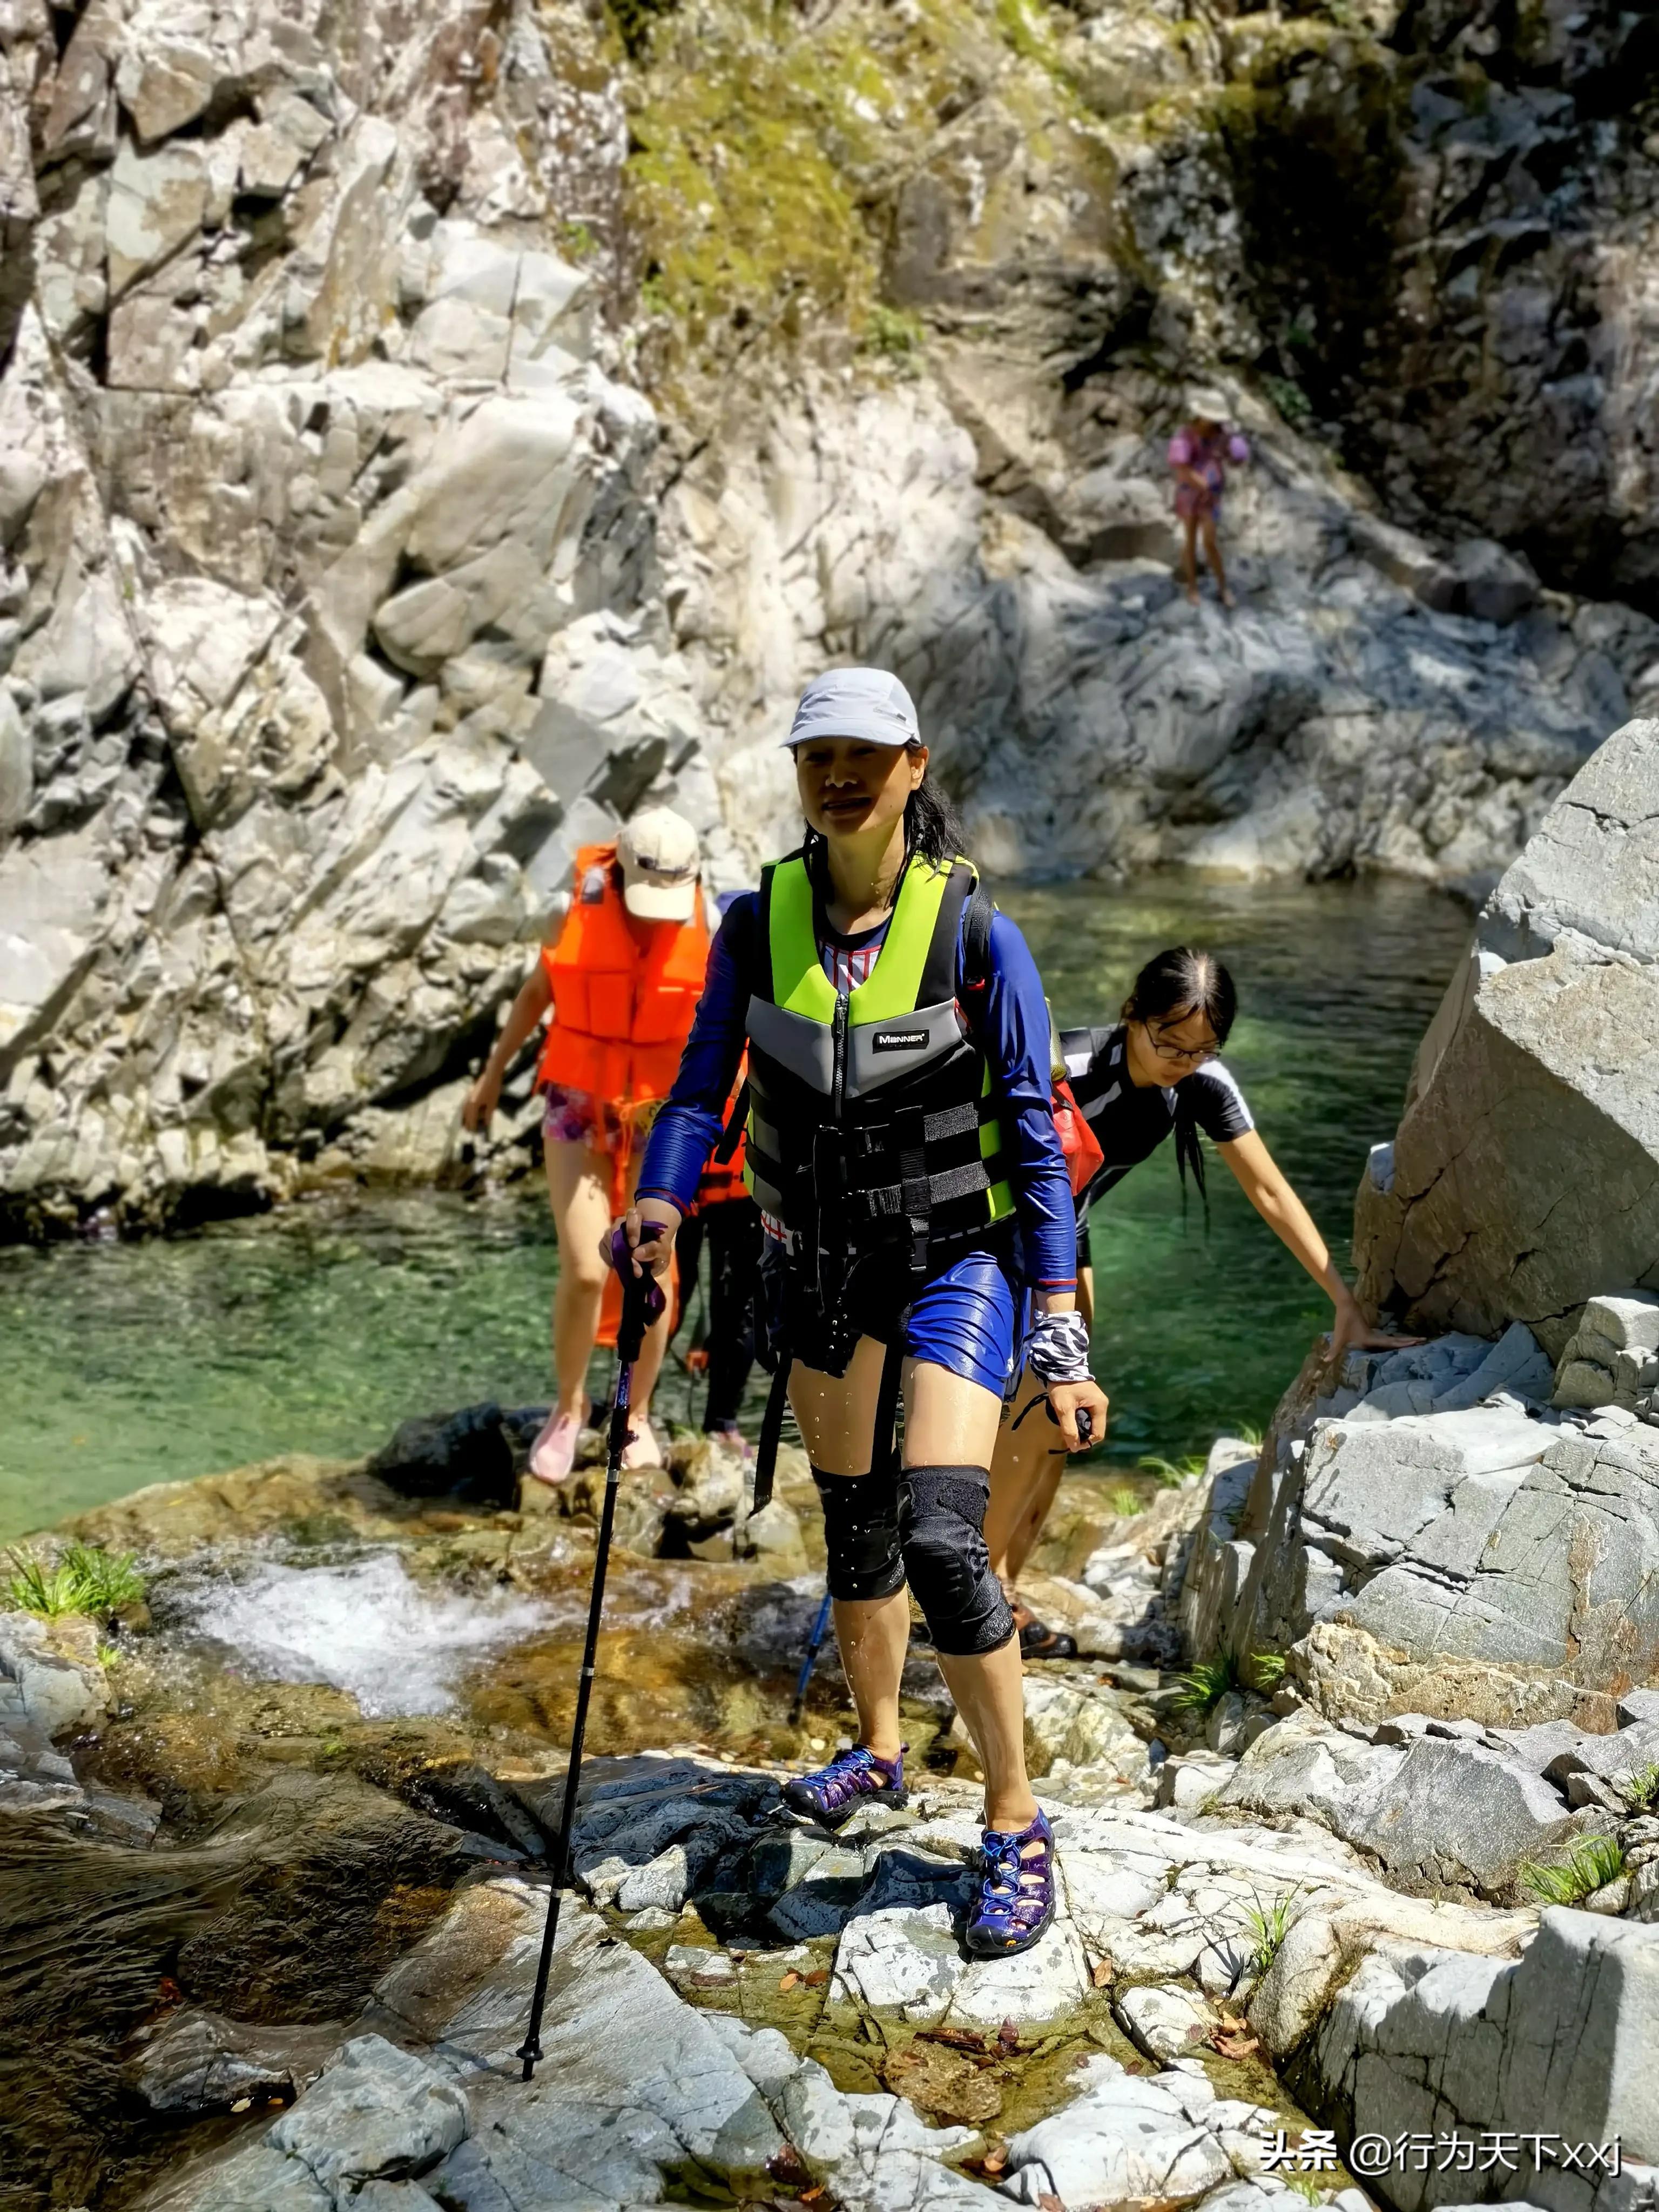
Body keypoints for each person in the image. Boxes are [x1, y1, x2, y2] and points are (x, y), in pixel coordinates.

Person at [617, 666, 1109, 1959]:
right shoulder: (750, 922)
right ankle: (880, 1751)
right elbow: (693, 1095)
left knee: (943, 1539)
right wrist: (660, 1208)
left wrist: (1054, 1311)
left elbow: (1032, 1136)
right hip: (812, 1261)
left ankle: (1012, 1822)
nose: (836, 775)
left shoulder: (973, 936)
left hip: (954, 1258)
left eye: (862, 754)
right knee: (853, 1531)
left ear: (912, 766)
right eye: (814, 756)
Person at [985, 945, 1419, 1652]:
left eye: (1202, 1048)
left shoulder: (1204, 1084)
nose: (1182, 1061)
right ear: (1133, 1016)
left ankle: (1003, 1587)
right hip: (1003, 1238)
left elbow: (1271, 1191)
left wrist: (1344, 1302)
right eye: (1169, 1043)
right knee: (1039, 1411)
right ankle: (980, 1593)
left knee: (1064, 1433)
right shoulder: (1063, 1064)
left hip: (1069, 1239)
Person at [462, 807, 710, 1483]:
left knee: (655, 1268)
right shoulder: (567, 910)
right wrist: (490, 1079)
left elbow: (731, 1026)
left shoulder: (713, 924)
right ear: (619, 871)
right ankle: (568, 1407)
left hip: (662, 1112)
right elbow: (537, 992)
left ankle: (635, 1414)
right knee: (584, 1267)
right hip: (578, 1099)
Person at [670, 1062, 764, 1456]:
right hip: (684, 1157)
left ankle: (722, 1421)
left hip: (741, 1172)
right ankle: (629, 1407)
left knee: (738, 1306)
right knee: (671, 1290)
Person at [1169, 389, 1249, 609]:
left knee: (1210, 541)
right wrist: (1198, 480)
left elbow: (1236, 460)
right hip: (1188, 493)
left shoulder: (1222, 435)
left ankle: (1223, 587)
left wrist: (1237, 446)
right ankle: (1192, 587)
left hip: (1212, 495)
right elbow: (1181, 467)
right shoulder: (1185, 435)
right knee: (1190, 540)